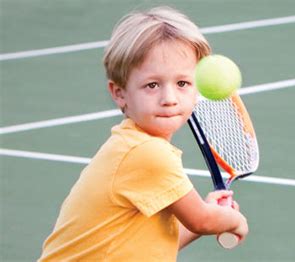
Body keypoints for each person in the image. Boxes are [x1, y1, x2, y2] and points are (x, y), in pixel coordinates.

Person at [39, 6, 248, 261]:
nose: (169, 99)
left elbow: (156, 244)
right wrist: (234, 220)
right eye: (152, 85)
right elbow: (202, 220)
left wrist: (212, 214)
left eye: (182, 83)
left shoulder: (135, 144)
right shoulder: (147, 153)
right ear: (119, 93)